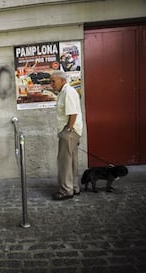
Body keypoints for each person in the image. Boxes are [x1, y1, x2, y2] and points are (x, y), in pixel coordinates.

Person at [50, 71, 83, 200]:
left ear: (62, 80)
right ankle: (74, 187)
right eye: (51, 81)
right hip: (72, 131)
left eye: (53, 81)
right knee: (72, 160)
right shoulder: (65, 91)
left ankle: (66, 190)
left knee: (64, 161)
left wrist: (68, 130)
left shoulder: (68, 92)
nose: (51, 84)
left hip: (69, 130)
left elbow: (73, 114)